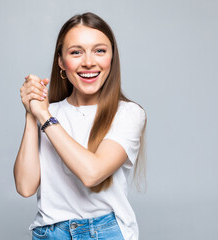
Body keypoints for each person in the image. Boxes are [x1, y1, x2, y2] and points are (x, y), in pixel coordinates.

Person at [14, 12, 147, 240]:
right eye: (76, 52)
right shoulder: (48, 114)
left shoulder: (128, 113)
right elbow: (26, 187)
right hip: (48, 233)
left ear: (112, 59)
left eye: (100, 51)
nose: (88, 61)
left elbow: (91, 173)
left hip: (104, 233)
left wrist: (44, 117)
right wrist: (31, 113)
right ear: (61, 62)